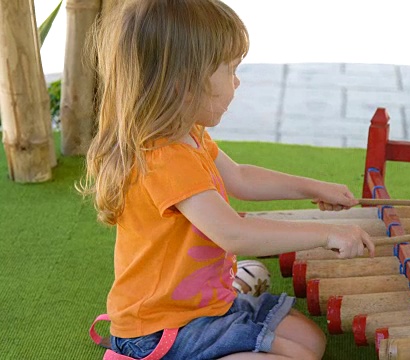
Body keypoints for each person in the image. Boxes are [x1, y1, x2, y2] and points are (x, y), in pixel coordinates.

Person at [78, 0, 375, 359]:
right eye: (230, 69)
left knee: (310, 341)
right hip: (164, 329)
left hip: (206, 305)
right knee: (300, 356)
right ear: (183, 83)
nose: (237, 81)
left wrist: (315, 188)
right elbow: (234, 233)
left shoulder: (188, 133)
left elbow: (241, 178)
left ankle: (237, 294)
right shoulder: (165, 160)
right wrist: (327, 234)